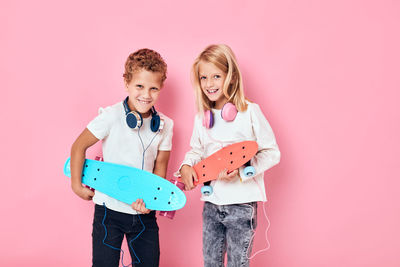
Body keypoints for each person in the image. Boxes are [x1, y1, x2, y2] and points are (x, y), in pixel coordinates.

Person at [70, 48, 173, 267]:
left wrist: (152, 201)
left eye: (153, 88)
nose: (146, 94)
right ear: (126, 82)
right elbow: (78, 146)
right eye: (139, 86)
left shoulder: (166, 125)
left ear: (161, 88)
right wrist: (76, 185)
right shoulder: (110, 116)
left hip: (143, 213)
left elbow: (160, 167)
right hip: (108, 211)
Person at [179, 44, 280, 267]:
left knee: (238, 264)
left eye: (216, 76)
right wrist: (187, 165)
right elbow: (196, 150)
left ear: (231, 78)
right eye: (204, 77)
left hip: (241, 206)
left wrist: (244, 171)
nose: (209, 83)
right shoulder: (202, 119)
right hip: (211, 204)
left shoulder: (249, 112)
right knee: (210, 263)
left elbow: (272, 153)